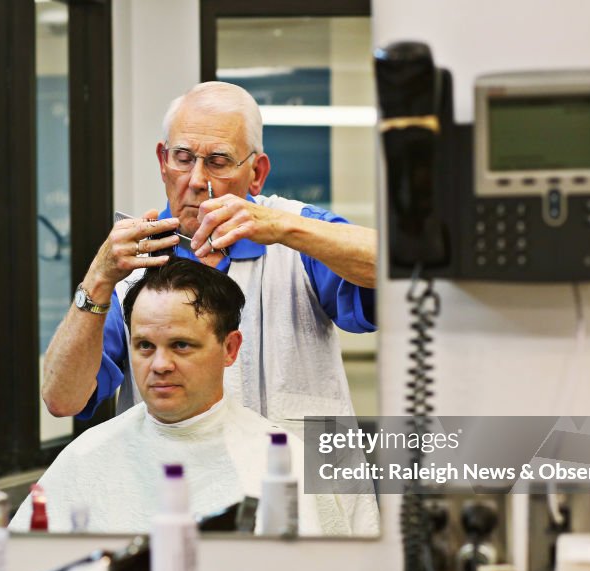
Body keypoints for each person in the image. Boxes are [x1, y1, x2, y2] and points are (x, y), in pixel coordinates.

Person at [41, 81, 377, 431]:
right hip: (175, 480)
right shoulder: (131, 264)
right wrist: (98, 277)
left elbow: (392, 269)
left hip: (298, 478)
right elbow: (62, 399)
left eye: (218, 162)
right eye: (183, 159)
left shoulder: (295, 232)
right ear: (163, 162)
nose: (198, 180)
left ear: (257, 174)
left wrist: (284, 229)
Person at [10, 260, 379, 535]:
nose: (160, 365)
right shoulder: (86, 457)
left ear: (230, 348)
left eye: (181, 345)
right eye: (143, 346)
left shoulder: (284, 465)